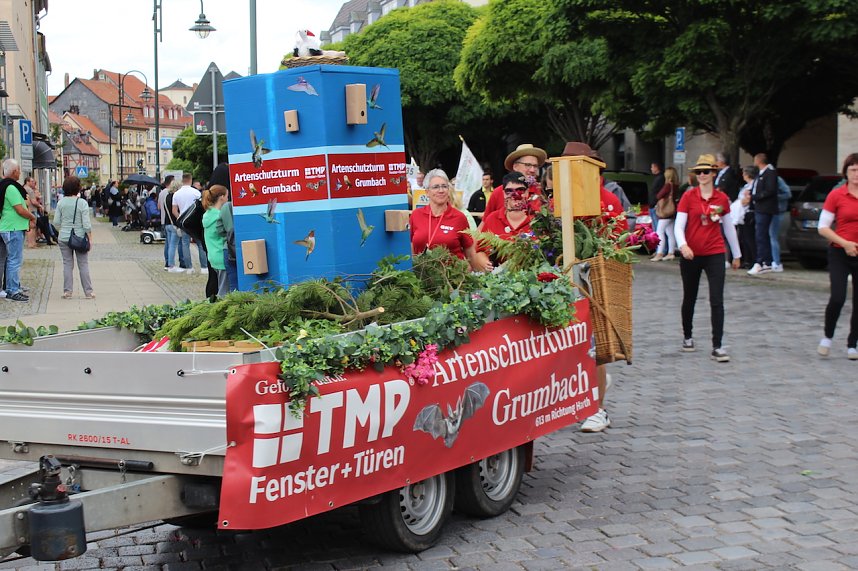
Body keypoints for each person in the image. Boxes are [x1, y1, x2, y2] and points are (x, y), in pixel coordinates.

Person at [674, 154, 742, 363]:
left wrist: (737, 254)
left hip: (714, 252)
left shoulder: (721, 199)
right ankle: (687, 336)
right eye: (699, 172)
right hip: (691, 254)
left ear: (713, 173)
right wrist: (683, 245)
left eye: (706, 171)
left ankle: (718, 346)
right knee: (690, 296)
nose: (702, 175)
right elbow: (678, 226)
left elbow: (728, 227)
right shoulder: (688, 196)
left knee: (717, 299)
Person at [817, 153, 858, 360]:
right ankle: (828, 336)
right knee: (838, 297)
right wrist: (845, 243)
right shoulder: (837, 195)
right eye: (853, 170)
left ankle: (853, 343)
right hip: (840, 251)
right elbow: (823, 227)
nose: (856, 174)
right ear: (846, 172)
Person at [409, 168, 487, 271]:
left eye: (444, 186)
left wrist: (478, 276)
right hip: (422, 275)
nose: (441, 190)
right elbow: (411, 248)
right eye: (436, 187)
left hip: (452, 277)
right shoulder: (416, 215)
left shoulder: (459, 217)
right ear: (427, 192)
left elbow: (470, 254)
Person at [0, 159, 38, 302]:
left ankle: (11, 287)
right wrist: (32, 217)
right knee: (14, 260)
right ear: (14, 171)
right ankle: (12, 290)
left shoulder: (5, 185)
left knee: (8, 259)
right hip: (13, 227)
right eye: (19, 170)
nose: (20, 173)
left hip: (7, 226)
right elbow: (20, 209)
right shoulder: (11, 188)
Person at [54, 176, 94, 299]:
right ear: (78, 188)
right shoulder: (82, 203)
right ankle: (88, 292)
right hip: (79, 237)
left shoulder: (60, 203)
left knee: (67, 264)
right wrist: (90, 238)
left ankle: (67, 291)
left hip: (64, 237)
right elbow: (86, 224)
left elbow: (56, 222)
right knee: (83, 264)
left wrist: (64, 228)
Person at [482, 144, 547, 218]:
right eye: (528, 165)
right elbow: (485, 222)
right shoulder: (498, 192)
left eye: (535, 166)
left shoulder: (542, 192)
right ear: (515, 166)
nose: (532, 170)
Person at [747, 153, 778, 275]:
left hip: (765, 208)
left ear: (760, 160)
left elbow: (770, 190)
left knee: (761, 235)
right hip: (758, 207)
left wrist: (755, 197)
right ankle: (765, 261)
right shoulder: (760, 173)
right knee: (760, 235)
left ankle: (762, 261)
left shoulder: (770, 173)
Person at [172, 172, 204, 273]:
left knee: (185, 244)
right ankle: (204, 267)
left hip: (184, 222)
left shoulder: (176, 194)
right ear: (190, 180)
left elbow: (174, 210)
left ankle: (189, 267)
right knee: (200, 244)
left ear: (182, 180)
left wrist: (180, 218)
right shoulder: (196, 193)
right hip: (195, 221)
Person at [202, 184, 229, 296]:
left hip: (213, 256)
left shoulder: (207, 215)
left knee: (221, 288)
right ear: (221, 197)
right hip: (222, 255)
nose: (228, 199)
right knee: (224, 292)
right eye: (227, 196)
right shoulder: (220, 216)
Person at [731, 166, 757, 267]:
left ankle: (753, 260)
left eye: (744, 173)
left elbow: (747, 200)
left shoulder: (753, 186)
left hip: (748, 213)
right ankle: (746, 260)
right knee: (743, 238)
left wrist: (741, 202)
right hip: (742, 214)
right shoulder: (746, 186)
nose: (742, 175)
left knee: (749, 238)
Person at [651, 167, 679, 261]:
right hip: (672, 211)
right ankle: (671, 253)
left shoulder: (668, 185)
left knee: (660, 232)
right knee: (670, 233)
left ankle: (659, 253)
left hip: (665, 212)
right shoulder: (676, 185)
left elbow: (659, 195)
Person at [648, 161, 666, 256]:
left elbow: (658, 193)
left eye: (652, 167)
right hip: (653, 205)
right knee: (657, 229)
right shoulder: (658, 178)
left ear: (656, 167)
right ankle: (659, 249)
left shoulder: (660, 178)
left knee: (658, 230)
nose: (651, 169)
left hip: (655, 206)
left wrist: (655, 203)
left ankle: (661, 250)